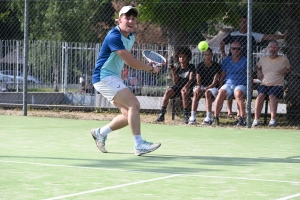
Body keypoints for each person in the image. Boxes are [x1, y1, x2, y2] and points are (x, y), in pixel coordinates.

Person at [91, 6, 162, 156]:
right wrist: (150, 69)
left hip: (112, 77)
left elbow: (125, 61)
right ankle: (139, 145)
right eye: (127, 17)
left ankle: (100, 133)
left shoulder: (131, 37)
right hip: (103, 77)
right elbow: (130, 62)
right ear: (119, 19)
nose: (131, 21)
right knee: (134, 104)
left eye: (133, 18)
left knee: (128, 115)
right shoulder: (114, 36)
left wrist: (147, 66)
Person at [220, 15, 288, 119]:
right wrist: (224, 55)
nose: (244, 24)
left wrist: (281, 37)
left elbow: (267, 36)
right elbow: (222, 43)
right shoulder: (233, 34)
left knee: (244, 87)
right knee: (230, 83)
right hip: (232, 64)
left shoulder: (252, 35)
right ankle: (229, 111)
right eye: (242, 22)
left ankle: (242, 113)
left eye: (246, 22)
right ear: (239, 23)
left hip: (246, 65)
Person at [252, 41, 291, 127]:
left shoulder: (284, 59)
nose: (273, 49)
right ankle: (256, 119)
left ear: (278, 49)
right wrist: (259, 71)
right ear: (268, 48)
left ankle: (273, 120)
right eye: (271, 47)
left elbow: (289, 69)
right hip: (264, 84)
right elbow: (257, 67)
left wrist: (286, 71)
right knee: (260, 95)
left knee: (272, 95)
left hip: (277, 85)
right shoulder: (263, 59)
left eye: (275, 47)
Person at [156, 46, 195, 124]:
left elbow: (191, 79)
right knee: (168, 92)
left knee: (184, 92)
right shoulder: (178, 68)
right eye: (180, 57)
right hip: (179, 86)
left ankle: (186, 116)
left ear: (188, 57)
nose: (182, 58)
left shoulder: (191, 66)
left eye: (184, 57)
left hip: (188, 87)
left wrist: (186, 87)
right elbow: (176, 82)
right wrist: (173, 71)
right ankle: (162, 114)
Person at [213, 41, 248, 126]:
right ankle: (215, 118)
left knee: (237, 93)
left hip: (241, 84)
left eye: (238, 49)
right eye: (234, 48)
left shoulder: (246, 60)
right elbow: (222, 75)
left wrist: (250, 88)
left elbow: (249, 75)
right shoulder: (226, 60)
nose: (236, 50)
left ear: (241, 50)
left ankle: (241, 119)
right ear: (230, 50)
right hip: (228, 84)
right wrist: (220, 86)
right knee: (221, 92)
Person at [188, 48, 222, 125]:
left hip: (213, 87)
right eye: (206, 55)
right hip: (202, 86)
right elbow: (198, 80)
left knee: (207, 93)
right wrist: (199, 87)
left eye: (209, 54)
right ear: (203, 56)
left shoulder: (216, 66)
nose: (207, 56)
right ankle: (192, 117)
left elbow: (214, 82)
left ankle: (208, 118)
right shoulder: (200, 65)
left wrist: (206, 89)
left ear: (212, 55)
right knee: (196, 93)